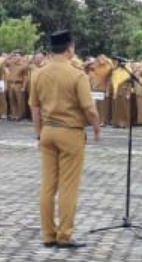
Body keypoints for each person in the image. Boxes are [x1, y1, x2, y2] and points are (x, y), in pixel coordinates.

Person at [29, 30, 101, 249]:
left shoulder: (38, 74)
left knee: (48, 185)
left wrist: (38, 134)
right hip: (70, 132)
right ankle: (64, 235)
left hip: (48, 131)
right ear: (69, 49)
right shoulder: (77, 75)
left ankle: (48, 234)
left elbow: (34, 107)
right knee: (68, 186)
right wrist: (97, 129)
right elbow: (89, 108)